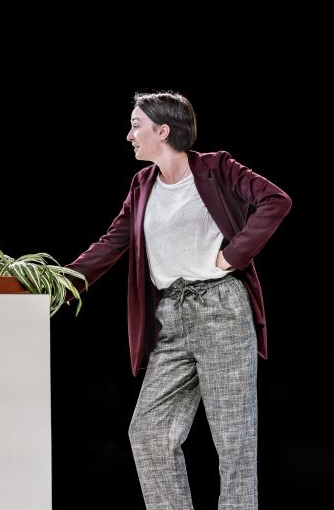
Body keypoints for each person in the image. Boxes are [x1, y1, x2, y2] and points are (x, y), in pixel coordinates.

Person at [63, 91, 291, 508]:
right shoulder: (142, 185)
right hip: (171, 315)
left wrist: (233, 255)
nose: (129, 135)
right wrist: (54, 282)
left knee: (233, 442)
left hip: (220, 308)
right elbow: (111, 244)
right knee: (148, 432)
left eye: (136, 125)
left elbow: (275, 201)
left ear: (162, 130)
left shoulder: (216, 168)